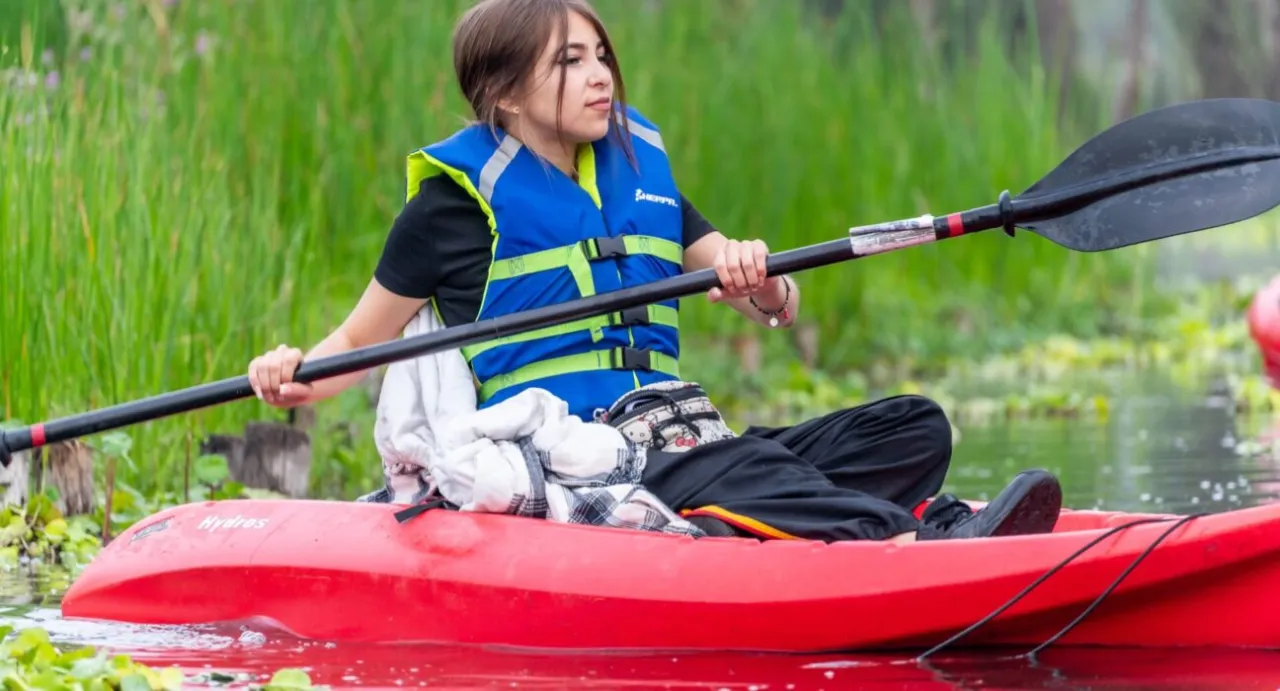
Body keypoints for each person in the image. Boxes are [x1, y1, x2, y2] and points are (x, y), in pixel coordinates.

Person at [246, 0, 1062, 543]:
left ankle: (874, 511)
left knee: (913, 424)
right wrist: (289, 372)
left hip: (683, 432)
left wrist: (762, 280)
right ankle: (918, 537)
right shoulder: (451, 213)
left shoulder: (636, 172)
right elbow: (357, 342)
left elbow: (772, 300)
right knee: (749, 470)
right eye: (571, 61)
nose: (601, 74)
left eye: (601, 54)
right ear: (503, 93)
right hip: (591, 457)